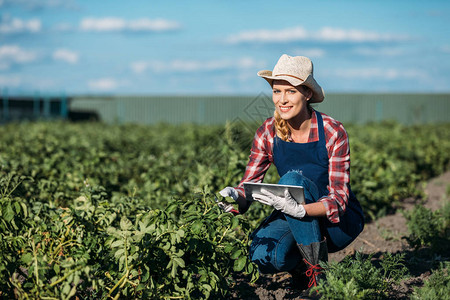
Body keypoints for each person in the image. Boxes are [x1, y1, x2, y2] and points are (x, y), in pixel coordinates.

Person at [219, 54, 364, 293]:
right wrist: (235, 196)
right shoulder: (267, 131)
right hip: (295, 214)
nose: (282, 100)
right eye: (277, 91)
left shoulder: (332, 131)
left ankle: (318, 278)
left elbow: (339, 199)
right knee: (263, 255)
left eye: (291, 92)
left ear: (307, 94)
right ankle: (300, 268)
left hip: (337, 223)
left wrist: (301, 209)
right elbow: (250, 184)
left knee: (291, 180)